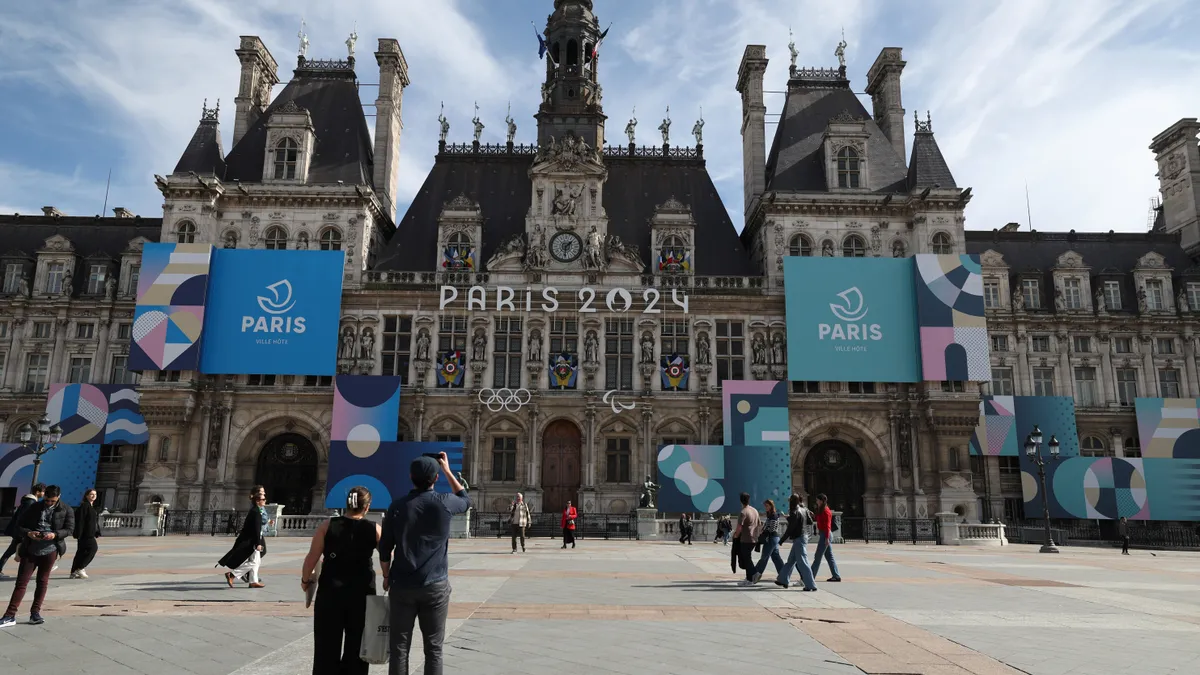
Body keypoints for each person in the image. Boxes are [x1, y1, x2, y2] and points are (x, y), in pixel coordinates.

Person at [379, 452, 470, 675]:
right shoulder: (444, 503)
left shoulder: (397, 506)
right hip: (435, 585)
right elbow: (466, 500)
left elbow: (384, 548)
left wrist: (386, 575)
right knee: (434, 648)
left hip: (402, 584)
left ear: (411, 476)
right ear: (436, 478)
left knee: (399, 648)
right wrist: (448, 470)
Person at [302, 486, 380, 675]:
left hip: (331, 592)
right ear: (367, 507)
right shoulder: (374, 528)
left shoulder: (327, 526)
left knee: (326, 647)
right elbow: (387, 558)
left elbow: (311, 558)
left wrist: (306, 580)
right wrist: (386, 577)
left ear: (347, 504)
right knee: (357, 645)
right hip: (362, 593)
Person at [0, 484, 74, 627]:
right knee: (21, 582)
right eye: (47, 500)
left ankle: (35, 613)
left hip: (51, 549)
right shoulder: (34, 507)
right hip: (30, 548)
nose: (49, 503)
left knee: (42, 582)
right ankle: (10, 615)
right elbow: (19, 526)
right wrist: (29, 533)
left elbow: (69, 529)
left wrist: (55, 534)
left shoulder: (66, 509)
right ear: (44, 496)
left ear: (59, 497)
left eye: (52, 501)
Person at [217, 486, 270, 589]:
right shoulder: (256, 512)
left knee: (256, 561)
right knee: (254, 561)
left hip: (251, 539)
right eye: (263, 499)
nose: (265, 501)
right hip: (252, 540)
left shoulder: (257, 511)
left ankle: (253, 581)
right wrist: (258, 543)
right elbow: (256, 529)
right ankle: (232, 574)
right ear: (257, 501)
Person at [0, 483, 44, 578]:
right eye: (43, 492)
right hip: (22, 532)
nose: (44, 494)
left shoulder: (28, 501)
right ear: (37, 492)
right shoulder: (30, 503)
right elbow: (23, 519)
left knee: (12, 551)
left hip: (21, 531)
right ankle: (42, 566)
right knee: (14, 551)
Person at [776, 494, 818, 591]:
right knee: (791, 560)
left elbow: (790, 528)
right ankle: (783, 579)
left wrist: (782, 540)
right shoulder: (803, 509)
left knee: (802, 562)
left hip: (799, 538)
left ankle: (811, 585)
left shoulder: (795, 511)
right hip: (803, 536)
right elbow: (810, 522)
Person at [810, 493, 842, 582]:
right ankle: (836, 575)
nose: (816, 502)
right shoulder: (821, 510)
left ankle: (810, 576)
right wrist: (813, 516)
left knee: (818, 556)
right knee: (829, 556)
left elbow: (828, 525)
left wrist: (827, 538)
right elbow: (819, 519)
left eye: (817, 500)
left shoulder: (826, 511)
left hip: (825, 535)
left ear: (821, 501)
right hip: (824, 534)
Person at [70, 488, 101, 579]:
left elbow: (93, 521)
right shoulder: (84, 506)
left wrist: (97, 531)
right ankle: (80, 568)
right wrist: (78, 533)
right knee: (93, 549)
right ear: (86, 495)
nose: (93, 496)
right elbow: (80, 521)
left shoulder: (90, 506)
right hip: (85, 534)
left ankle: (74, 572)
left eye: (95, 494)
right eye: (91, 494)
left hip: (89, 532)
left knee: (81, 552)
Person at [752, 499, 784, 583]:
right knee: (776, 557)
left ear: (771, 505)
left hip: (771, 538)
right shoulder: (771, 515)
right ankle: (783, 574)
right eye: (765, 506)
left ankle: (756, 574)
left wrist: (764, 530)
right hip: (774, 538)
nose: (765, 507)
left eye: (767, 505)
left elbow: (772, 528)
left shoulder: (773, 515)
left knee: (764, 557)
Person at [733, 492, 761, 586]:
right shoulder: (754, 510)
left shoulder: (743, 512)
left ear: (740, 501)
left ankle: (754, 573)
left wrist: (736, 535)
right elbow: (759, 524)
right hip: (754, 538)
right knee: (747, 558)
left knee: (746, 559)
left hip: (745, 538)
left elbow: (739, 526)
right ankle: (749, 580)